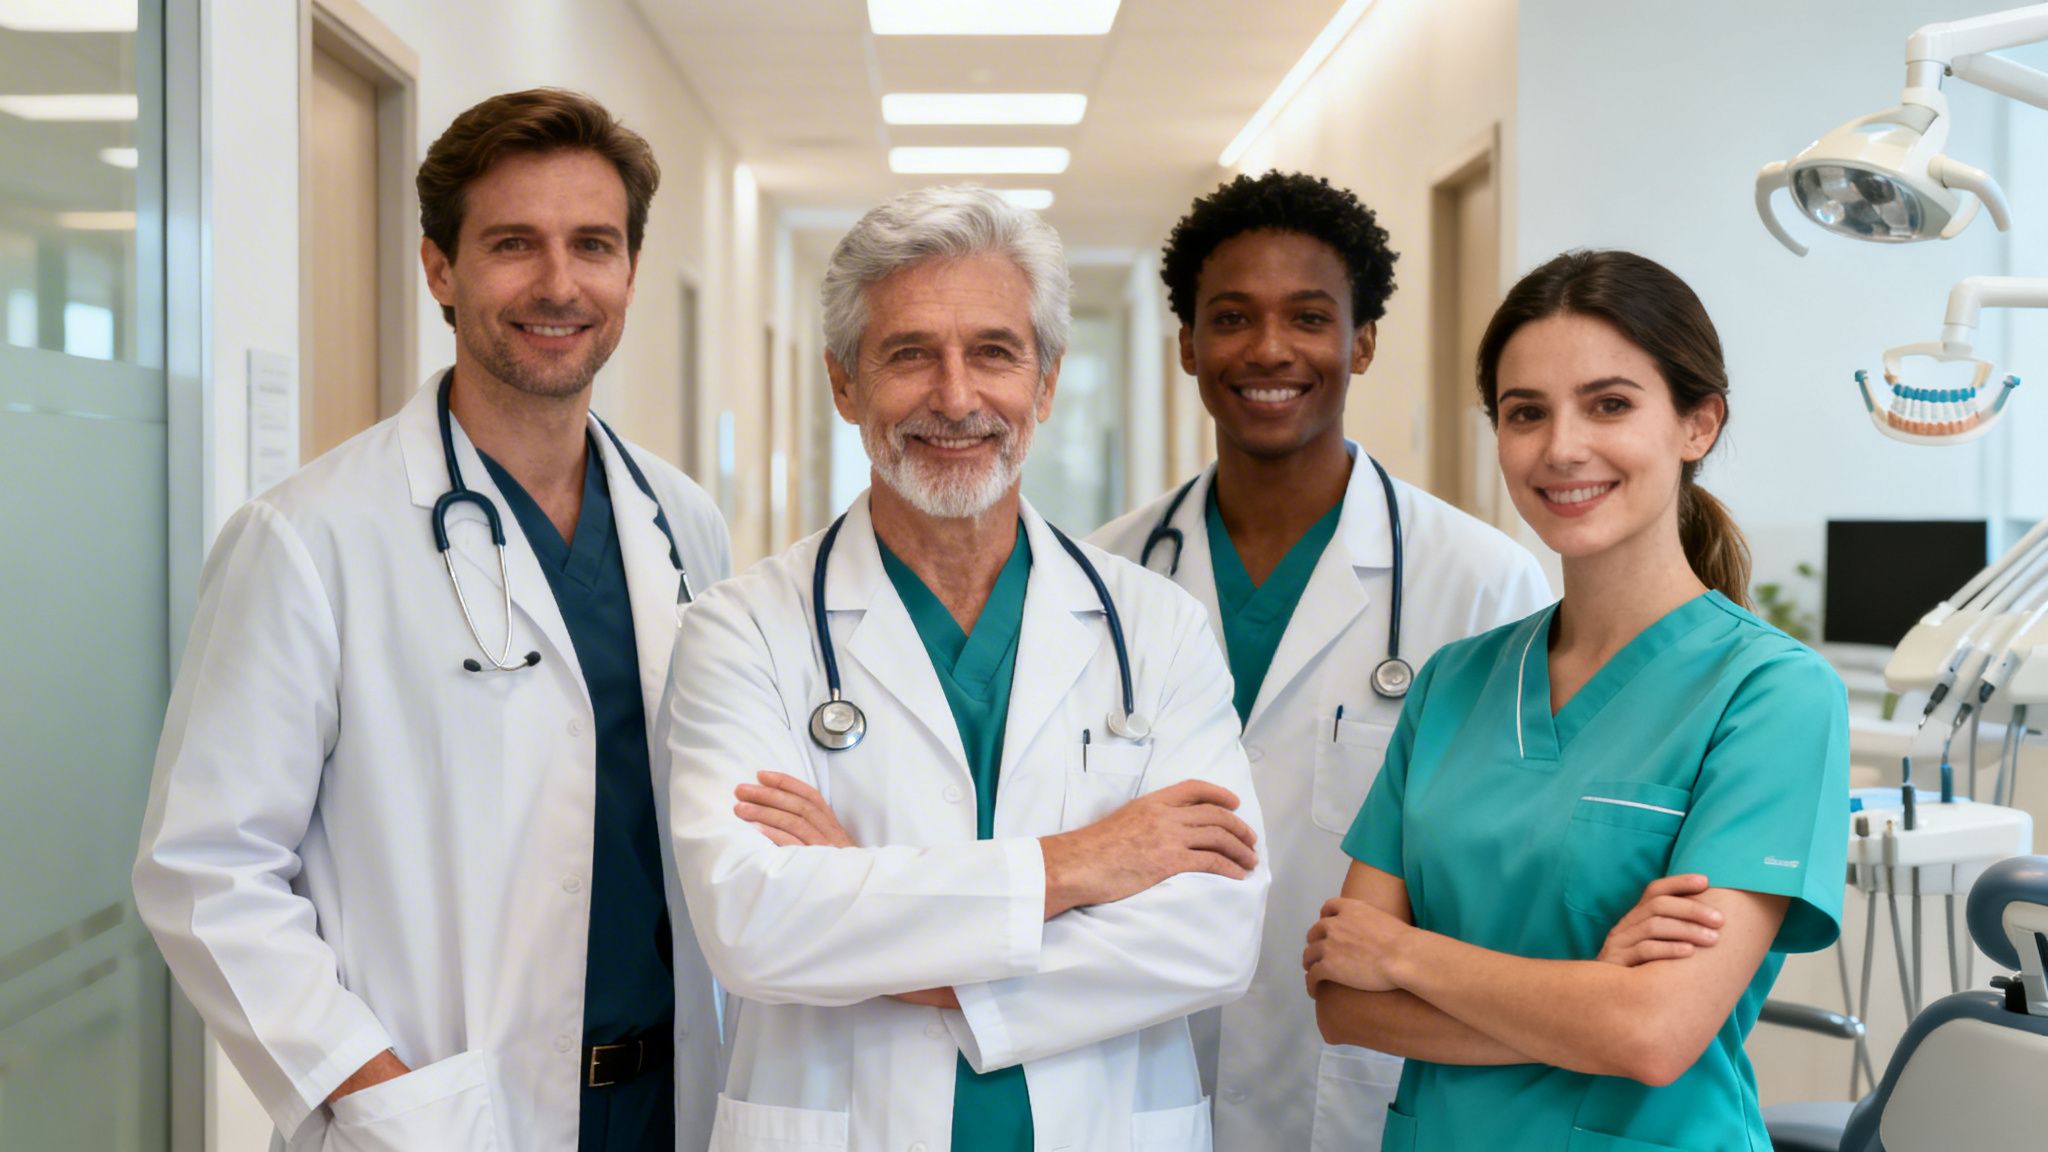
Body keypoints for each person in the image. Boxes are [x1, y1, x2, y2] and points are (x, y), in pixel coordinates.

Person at [132, 89, 728, 1151]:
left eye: (593, 244)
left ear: (630, 270)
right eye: (513, 243)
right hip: (441, 1116)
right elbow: (207, 870)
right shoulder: (307, 538)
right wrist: (386, 1100)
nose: (559, 284)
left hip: (667, 1099)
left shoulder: (680, 521)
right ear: (440, 269)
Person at [660, 185, 1270, 1152]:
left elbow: (1214, 936)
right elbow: (753, 921)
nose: (954, 398)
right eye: (909, 354)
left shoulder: (1158, 628)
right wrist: (1083, 864)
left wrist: (866, 913)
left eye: (993, 352)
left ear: (1046, 382)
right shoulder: (741, 631)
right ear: (844, 383)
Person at [1305, 249, 1850, 1150]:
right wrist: (1593, 996)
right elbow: (1344, 1004)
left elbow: (1655, 1035)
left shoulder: (1772, 695)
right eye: (1526, 413)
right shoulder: (1453, 684)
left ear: (1698, 424)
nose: (1561, 448)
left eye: (1609, 404)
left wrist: (1406, 955)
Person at [1091, 170, 1549, 1149]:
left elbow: (1515, 868)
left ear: (1362, 341)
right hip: (1142, 1071)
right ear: (1187, 344)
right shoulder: (1101, 577)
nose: (1268, 349)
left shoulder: (1480, 585)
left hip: (1364, 1088)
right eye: (1230, 318)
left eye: (1308, 317)